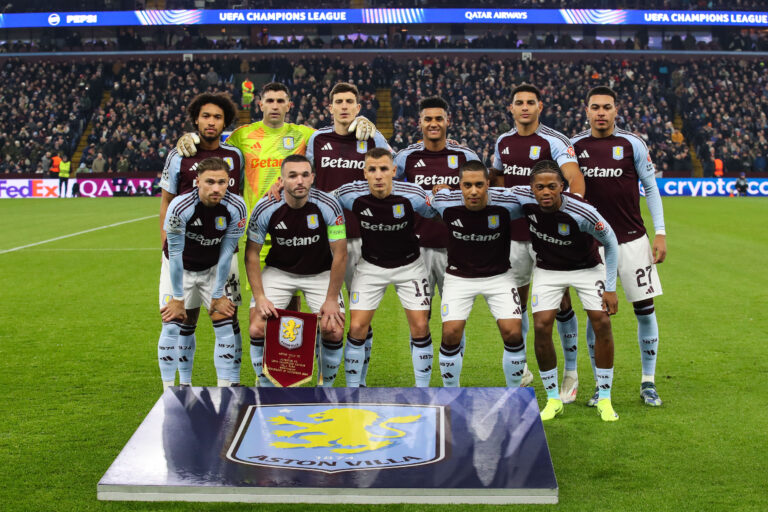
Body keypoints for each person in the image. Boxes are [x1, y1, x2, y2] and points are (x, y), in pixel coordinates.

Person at [571, 86, 667, 407]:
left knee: (645, 310)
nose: (601, 112)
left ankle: (648, 382)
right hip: (592, 245)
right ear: (586, 110)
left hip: (632, 240)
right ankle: (601, 385)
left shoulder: (632, 144)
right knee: (596, 317)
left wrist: (661, 233)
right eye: (595, 107)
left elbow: (651, 189)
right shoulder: (575, 147)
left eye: (606, 107)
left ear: (616, 110)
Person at [490, 84, 585, 397]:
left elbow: (574, 179)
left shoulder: (554, 141)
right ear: (511, 108)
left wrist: (567, 216)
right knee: (515, 302)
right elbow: (498, 182)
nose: (525, 107)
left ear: (540, 106)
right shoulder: (503, 141)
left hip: (548, 236)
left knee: (561, 303)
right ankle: (522, 368)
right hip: (515, 236)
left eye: (531, 102)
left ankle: (570, 373)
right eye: (519, 103)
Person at [512, 161, 620, 422]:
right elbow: (487, 193)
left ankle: (604, 397)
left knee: (602, 322)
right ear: (532, 189)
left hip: (587, 268)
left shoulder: (583, 212)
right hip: (549, 270)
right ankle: (552, 399)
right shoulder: (523, 201)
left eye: (552, 186)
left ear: (562, 186)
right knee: (541, 326)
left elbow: (611, 241)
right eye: (540, 187)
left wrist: (611, 288)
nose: (546, 192)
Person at [305, 82, 392, 386]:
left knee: (360, 315)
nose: (344, 106)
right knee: (324, 314)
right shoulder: (317, 139)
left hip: (362, 236)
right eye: (339, 101)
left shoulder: (369, 138)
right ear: (330, 108)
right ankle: (324, 380)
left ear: (358, 108)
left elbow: (392, 169)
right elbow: (304, 178)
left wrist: (377, 133)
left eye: (350, 102)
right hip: (324, 238)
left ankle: (359, 380)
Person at [159, 92, 245, 386]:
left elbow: (238, 199)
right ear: (196, 119)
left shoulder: (235, 156)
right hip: (183, 250)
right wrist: (166, 243)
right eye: (206, 116)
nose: (211, 122)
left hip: (222, 250)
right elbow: (167, 199)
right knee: (185, 317)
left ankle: (231, 383)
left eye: (217, 117)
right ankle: (181, 384)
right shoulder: (179, 155)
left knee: (227, 316)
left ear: (225, 123)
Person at [334, 147, 436, 388]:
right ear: (364, 173)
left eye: (383, 169)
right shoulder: (349, 194)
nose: (378, 175)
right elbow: (320, 201)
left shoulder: (413, 195)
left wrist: (441, 194)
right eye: (372, 170)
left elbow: (437, 211)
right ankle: (354, 387)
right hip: (370, 266)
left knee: (421, 325)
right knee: (357, 326)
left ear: (393, 171)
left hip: (410, 266)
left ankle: (422, 390)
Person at [245, 155, 347, 387]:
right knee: (258, 327)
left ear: (312, 178)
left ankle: (325, 388)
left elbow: (340, 254)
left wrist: (332, 298)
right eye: (292, 176)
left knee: (333, 329)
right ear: (281, 180)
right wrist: (260, 297)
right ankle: (267, 387)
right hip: (279, 271)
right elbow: (251, 254)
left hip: (320, 272)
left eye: (304, 175)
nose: (299, 180)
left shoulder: (328, 205)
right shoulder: (266, 207)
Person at [393, 96, 479, 363]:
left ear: (448, 121)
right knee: (420, 317)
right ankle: (423, 380)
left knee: (455, 317)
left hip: (457, 249)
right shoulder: (406, 157)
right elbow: (389, 192)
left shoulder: (465, 156)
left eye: (438, 119)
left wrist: (452, 195)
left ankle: (453, 378)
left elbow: (481, 197)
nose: (433, 124)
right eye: (428, 119)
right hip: (416, 251)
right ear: (419, 123)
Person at [429, 160, 525, 387]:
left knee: (512, 332)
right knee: (451, 333)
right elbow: (419, 201)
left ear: (488, 184)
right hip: (459, 277)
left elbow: (535, 201)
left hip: (499, 276)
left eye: (479, 185)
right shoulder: (444, 202)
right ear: (459, 185)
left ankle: (514, 393)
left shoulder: (507, 203)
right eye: (468, 185)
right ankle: (451, 391)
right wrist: (437, 189)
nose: (474, 191)